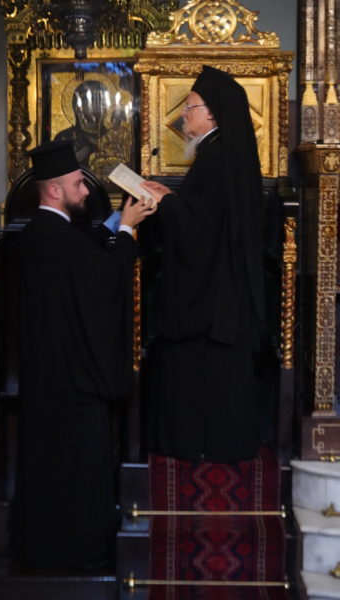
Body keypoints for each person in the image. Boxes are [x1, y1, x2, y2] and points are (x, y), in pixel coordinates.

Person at [9, 139, 156, 571]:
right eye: (78, 184)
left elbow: (86, 254)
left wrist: (115, 224)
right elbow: (104, 277)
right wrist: (127, 229)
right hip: (72, 389)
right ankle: (81, 556)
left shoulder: (43, 234)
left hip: (47, 380)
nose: (87, 190)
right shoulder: (57, 240)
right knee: (75, 473)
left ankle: (42, 553)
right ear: (55, 190)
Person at [141, 65, 266, 463]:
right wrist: (169, 198)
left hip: (211, 297)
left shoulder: (217, 157)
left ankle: (196, 443)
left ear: (211, 114)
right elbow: (205, 215)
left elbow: (199, 229)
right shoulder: (221, 153)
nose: (182, 114)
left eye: (189, 106)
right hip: (222, 288)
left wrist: (166, 202)